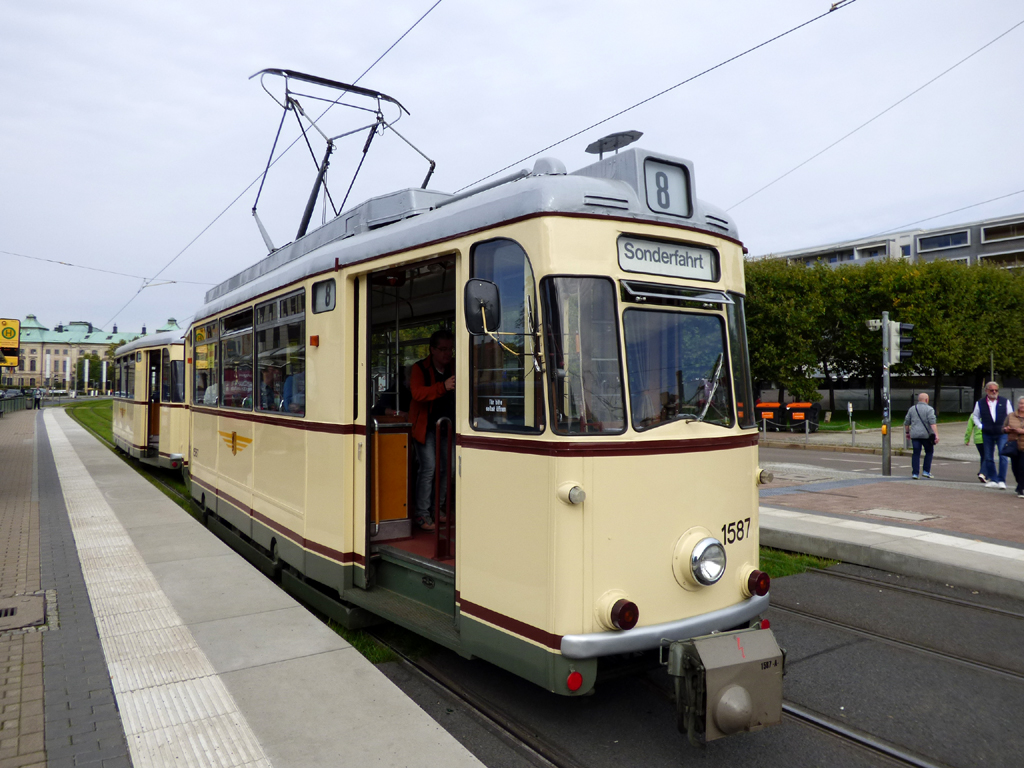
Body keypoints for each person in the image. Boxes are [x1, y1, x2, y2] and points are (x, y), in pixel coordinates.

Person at [409, 330, 455, 532]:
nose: (448, 354)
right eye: (443, 349)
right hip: (425, 427)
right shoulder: (419, 368)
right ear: (433, 350)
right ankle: (421, 513)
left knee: (449, 469)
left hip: (447, 426)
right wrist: (443, 387)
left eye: (450, 349)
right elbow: (417, 394)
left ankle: (438, 509)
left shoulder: (454, 367)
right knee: (429, 468)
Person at [973, 381, 1011, 490]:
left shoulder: (1005, 401)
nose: (994, 392)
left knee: (1003, 455)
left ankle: (1001, 480)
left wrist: (1008, 427)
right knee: (988, 457)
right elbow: (975, 416)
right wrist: (981, 426)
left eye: (996, 390)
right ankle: (993, 479)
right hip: (987, 433)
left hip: (1001, 433)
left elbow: (1010, 415)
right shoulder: (980, 403)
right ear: (986, 391)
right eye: (991, 390)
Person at [903, 392, 938, 479]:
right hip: (926, 436)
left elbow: (906, 422)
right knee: (929, 452)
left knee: (916, 453)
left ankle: (915, 473)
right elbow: (932, 423)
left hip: (915, 435)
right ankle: (926, 471)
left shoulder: (912, 409)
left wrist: (907, 433)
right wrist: (936, 435)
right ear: (926, 399)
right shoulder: (929, 409)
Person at [1002, 397, 1024, 499]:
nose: (1022, 406)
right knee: (1015, 468)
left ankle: (1021, 488)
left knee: (1022, 467)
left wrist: (1022, 431)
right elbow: (1003, 428)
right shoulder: (1011, 416)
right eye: (1020, 403)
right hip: (1013, 445)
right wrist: (1006, 429)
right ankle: (1020, 485)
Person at [964, 415, 986, 482]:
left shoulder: (973, 415)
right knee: (987, 456)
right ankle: (983, 473)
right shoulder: (988, 412)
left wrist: (967, 439)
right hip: (986, 438)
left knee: (983, 456)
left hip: (977, 439)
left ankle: (983, 472)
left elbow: (969, 428)